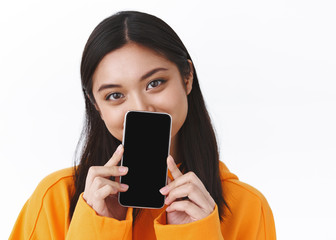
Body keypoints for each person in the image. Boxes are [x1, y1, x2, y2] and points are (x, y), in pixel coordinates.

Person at [10, 11, 276, 239]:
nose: (140, 108)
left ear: (187, 78)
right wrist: (96, 227)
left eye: (155, 83)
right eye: (115, 95)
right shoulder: (55, 198)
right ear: (97, 107)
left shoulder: (248, 208)